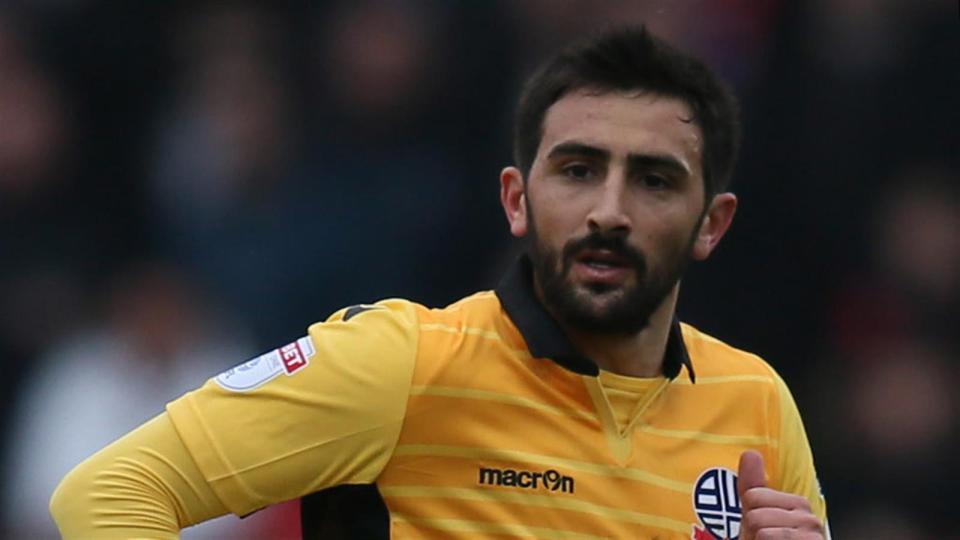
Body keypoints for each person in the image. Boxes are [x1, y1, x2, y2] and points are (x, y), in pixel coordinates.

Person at [50, 26, 829, 539]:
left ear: (712, 223)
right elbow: (109, 495)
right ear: (516, 201)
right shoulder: (402, 362)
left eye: (655, 180)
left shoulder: (757, 404)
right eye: (578, 170)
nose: (609, 211)